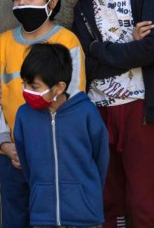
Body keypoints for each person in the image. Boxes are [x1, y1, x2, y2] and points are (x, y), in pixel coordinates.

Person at [63, 0, 154, 228]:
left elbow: (152, 51)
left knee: (143, 200)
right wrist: (128, 47)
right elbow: (87, 61)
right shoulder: (84, 6)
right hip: (97, 109)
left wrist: (102, 49)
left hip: (141, 107)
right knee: (106, 197)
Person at [0, 0, 86, 228]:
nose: (21, 3)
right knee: (14, 218)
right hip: (11, 156)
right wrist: (4, 142)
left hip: (53, 156)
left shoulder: (67, 41)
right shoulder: (2, 43)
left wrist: (50, 146)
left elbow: (73, 99)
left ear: (51, 2)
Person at [14, 43, 109, 228]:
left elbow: (101, 159)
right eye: (24, 83)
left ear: (59, 87)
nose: (26, 91)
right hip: (43, 217)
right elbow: (26, 164)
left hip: (85, 216)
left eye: (34, 86)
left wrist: (87, 193)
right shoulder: (24, 116)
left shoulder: (86, 112)